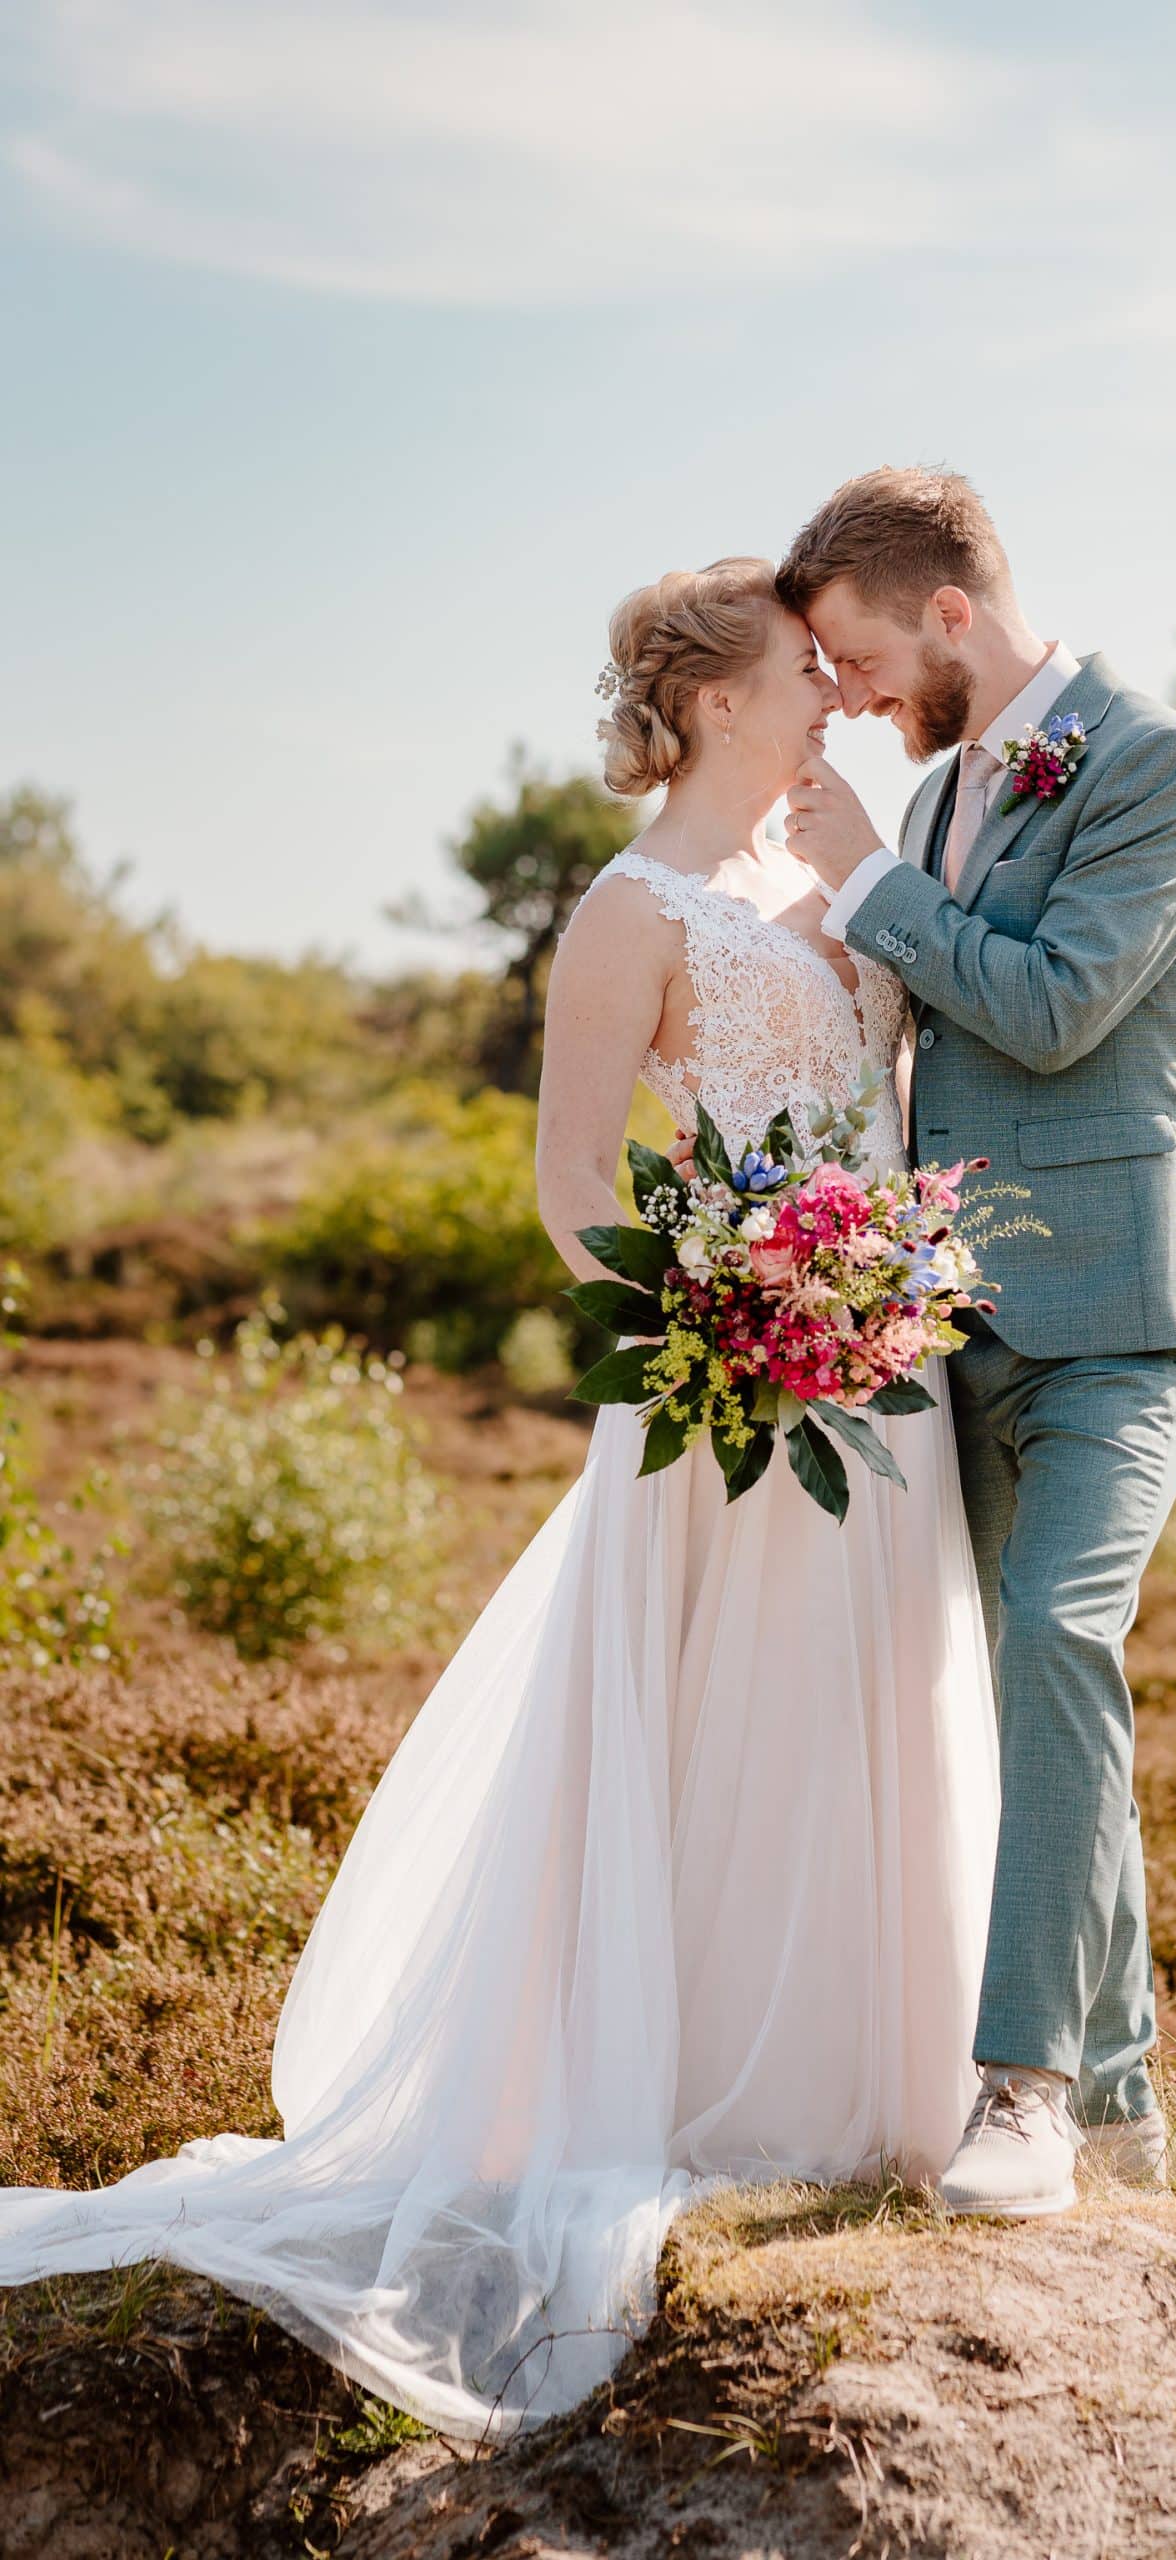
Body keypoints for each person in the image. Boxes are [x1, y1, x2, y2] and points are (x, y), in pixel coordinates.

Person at [0, 555, 1001, 2441]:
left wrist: (866, 1297)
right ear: (715, 703)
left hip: (893, 1377)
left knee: (868, 1705)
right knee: (721, 1726)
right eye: (805, 664)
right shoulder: (631, 912)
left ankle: (885, 2096)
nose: (834, 683)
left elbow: (898, 1104)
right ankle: (718, 2094)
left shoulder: (844, 875)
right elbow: (570, 1189)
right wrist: (740, 1317)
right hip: (743, 1389)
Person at [771, 467, 1176, 2220]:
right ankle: (1129, 2090)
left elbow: (1056, 1010)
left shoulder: (1155, 762)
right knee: (1014, 1685)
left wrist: (862, 884)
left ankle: (1028, 2096)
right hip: (954, 1314)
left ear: (951, 615)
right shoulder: (953, 797)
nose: (847, 698)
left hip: (1129, 1306)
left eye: (855, 656)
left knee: (1062, 1629)